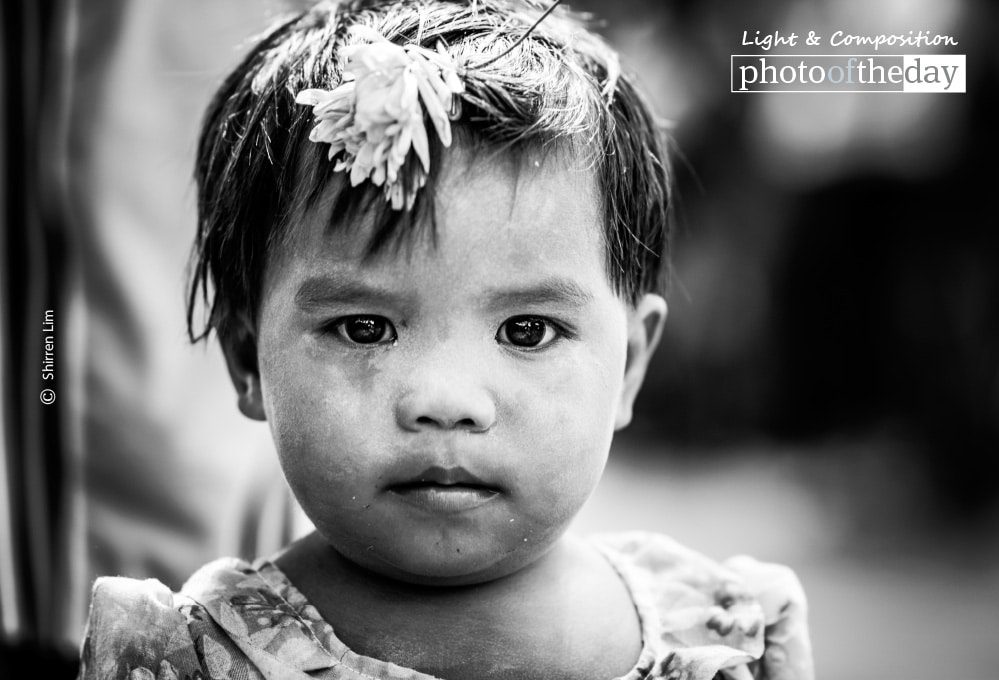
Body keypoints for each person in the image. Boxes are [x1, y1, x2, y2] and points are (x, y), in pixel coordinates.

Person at [78, 1, 813, 678]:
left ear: (627, 364)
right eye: (365, 328)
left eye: (526, 331)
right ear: (246, 359)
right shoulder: (189, 658)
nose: (445, 401)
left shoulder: (726, 637)